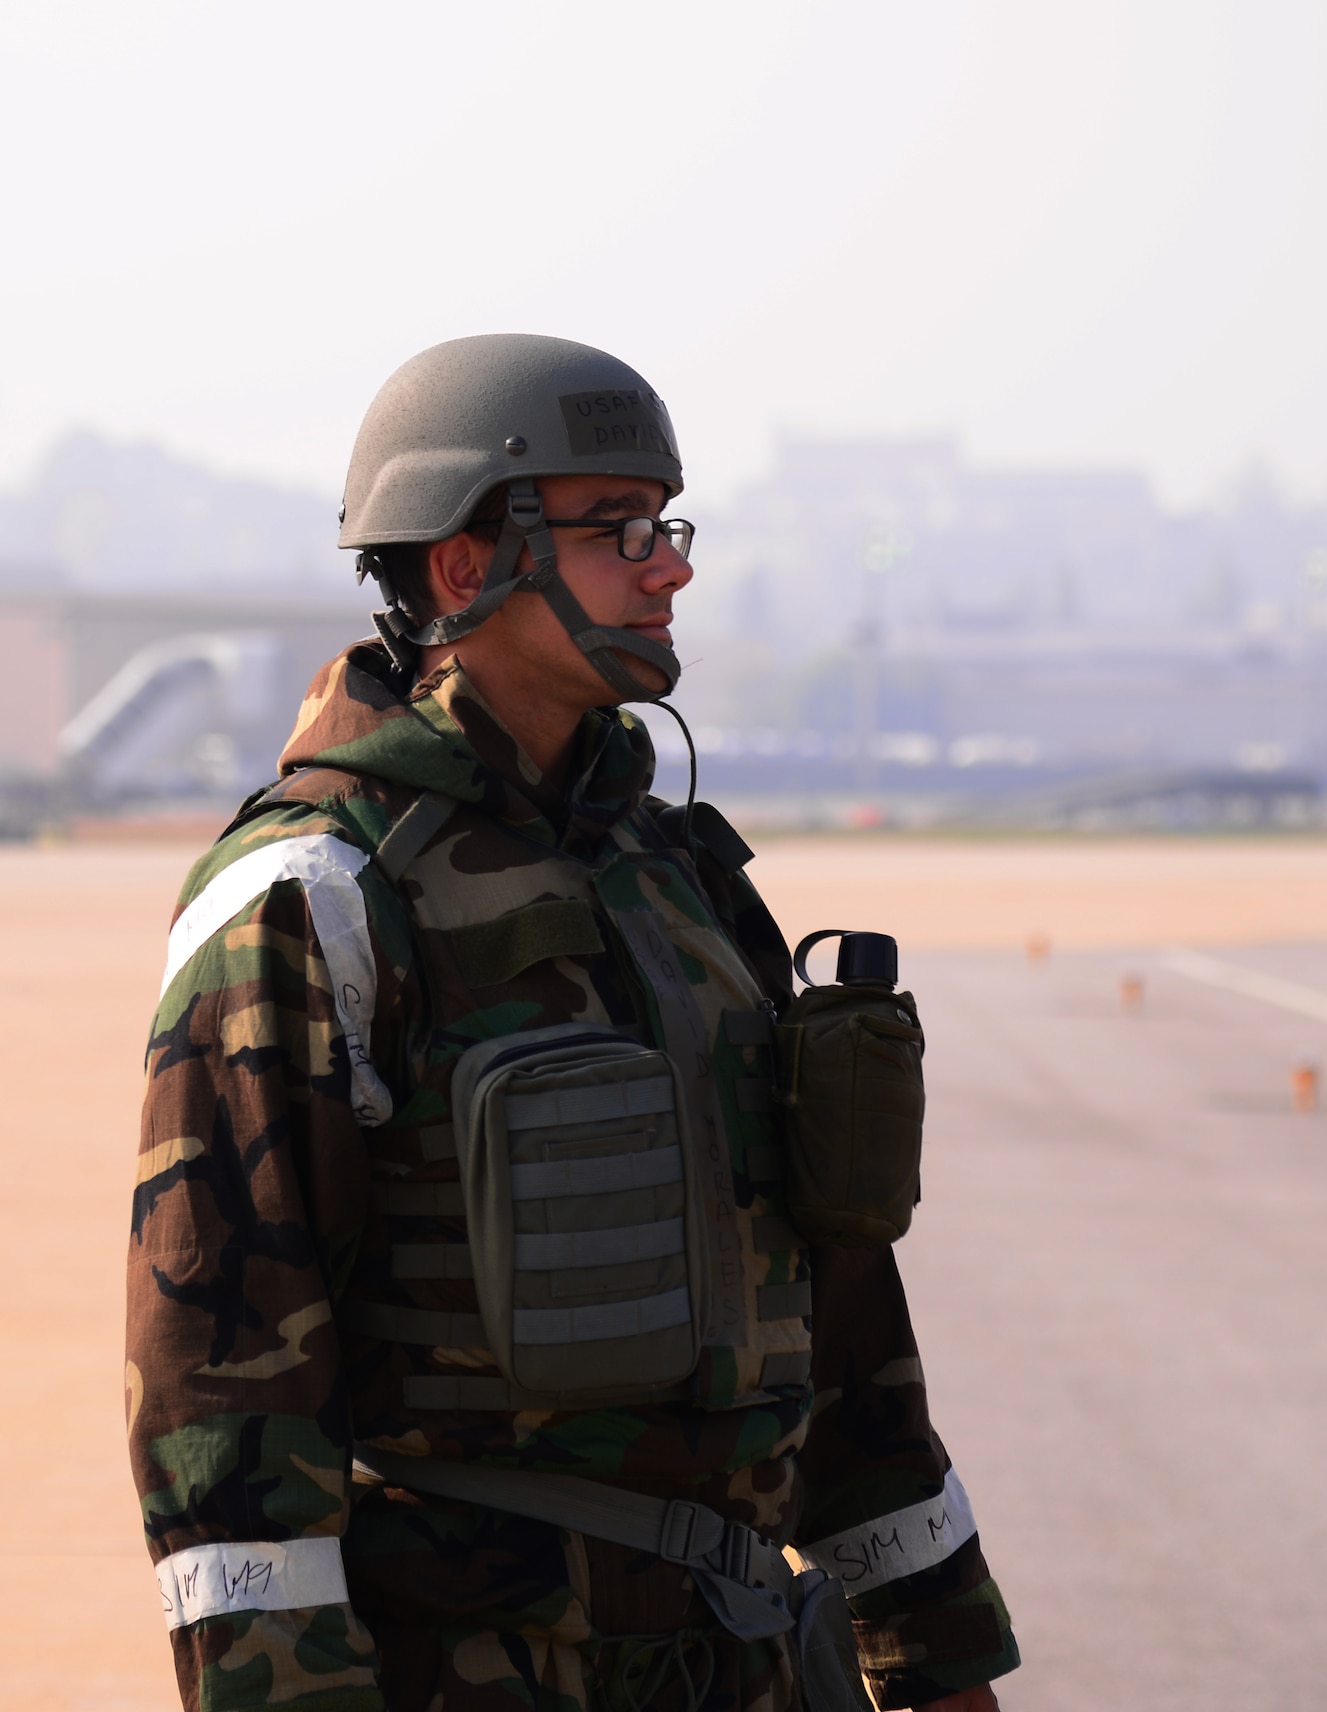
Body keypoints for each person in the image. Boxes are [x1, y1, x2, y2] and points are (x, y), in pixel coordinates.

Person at [127, 334, 1019, 1712]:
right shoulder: (313, 898)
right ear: (466, 564)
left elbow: (842, 1337)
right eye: (620, 531)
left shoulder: (685, 886)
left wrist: (940, 1660)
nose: (670, 567)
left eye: (666, 526)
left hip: (746, 1665)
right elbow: (225, 1406)